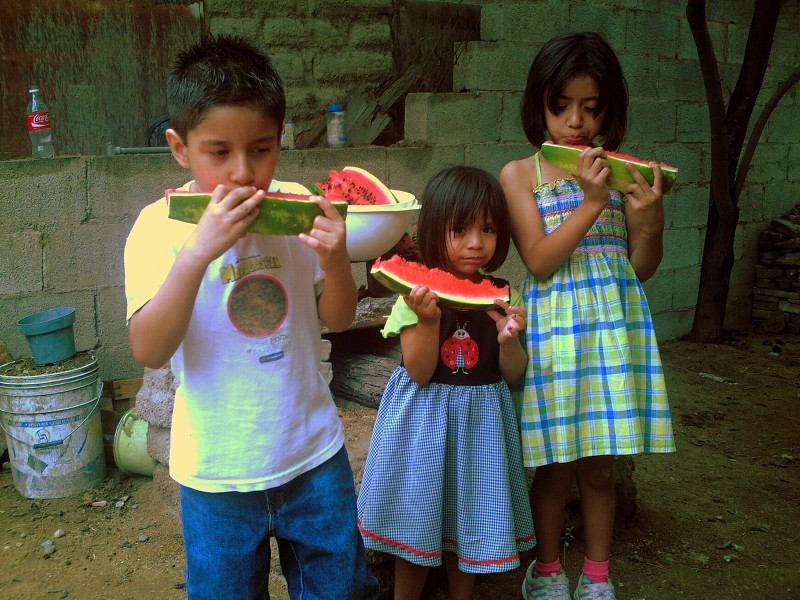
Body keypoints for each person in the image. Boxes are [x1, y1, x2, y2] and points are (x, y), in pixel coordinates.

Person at [123, 35, 379, 600]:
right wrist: (196, 254)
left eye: (261, 149)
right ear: (179, 147)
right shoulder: (157, 229)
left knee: (340, 590)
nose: (244, 171)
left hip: (313, 455)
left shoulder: (296, 208)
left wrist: (337, 260)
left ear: (280, 140)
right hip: (216, 473)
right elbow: (148, 349)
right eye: (219, 152)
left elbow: (335, 318)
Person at [499, 32, 676, 600]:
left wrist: (650, 219)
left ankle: (597, 576)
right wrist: (592, 202)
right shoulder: (520, 175)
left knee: (600, 469)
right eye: (561, 106)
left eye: (591, 108)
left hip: (611, 333)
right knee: (553, 468)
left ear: (608, 110)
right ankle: (546, 571)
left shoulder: (621, 173)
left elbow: (641, 268)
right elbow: (541, 261)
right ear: (539, 103)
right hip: (555, 335)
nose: (575, 122)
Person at [357, 166, 536, 600]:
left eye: (489, 229)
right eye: (460, 229)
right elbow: (418, 371)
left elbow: (513, 373)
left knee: (468, 530)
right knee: (415, 536)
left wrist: (509, 341)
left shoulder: (503, 294)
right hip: (423, 428)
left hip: (481, 431)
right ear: (436, 230)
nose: (476, 242)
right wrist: (428, 319)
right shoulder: (415, 294)